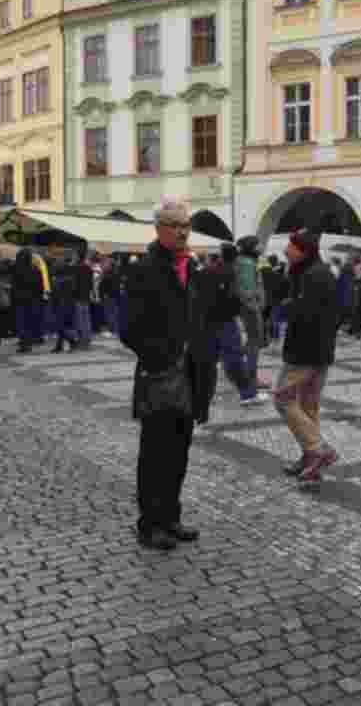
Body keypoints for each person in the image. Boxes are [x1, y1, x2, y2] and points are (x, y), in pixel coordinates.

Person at [122, 196, 228, 550]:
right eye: (175, 225)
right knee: (154, 452)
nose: (183, 232)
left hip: (192, 374)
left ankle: (171, 516)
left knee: (179, 450)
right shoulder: (144, 269)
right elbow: (128, 328)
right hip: (160, 374)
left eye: (186, 226)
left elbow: (207, 317)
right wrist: (161, 357)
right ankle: (149, 524)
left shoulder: (195, 270)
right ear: (159, 228)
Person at [275, 229, 339, 488]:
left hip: (305, 352)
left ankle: (317, 448)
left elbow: (308, 315)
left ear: (303, 250)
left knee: (283, 398)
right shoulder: (311, 272)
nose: (286, 251)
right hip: (318, 350)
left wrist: (287, 307)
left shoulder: (314, 275)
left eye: (290, 246)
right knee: (308, 406)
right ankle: (311, 461)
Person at [234, 236, 267, 391]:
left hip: (247, 309)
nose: (260, 248)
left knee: (250, 343)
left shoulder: (242, 261)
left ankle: (247, 374)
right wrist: (255, 308)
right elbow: (247, 291)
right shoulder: (246, 263)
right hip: (250, 309)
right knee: (254, 343)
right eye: (258, 245)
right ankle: (251, 377)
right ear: (251, 247)